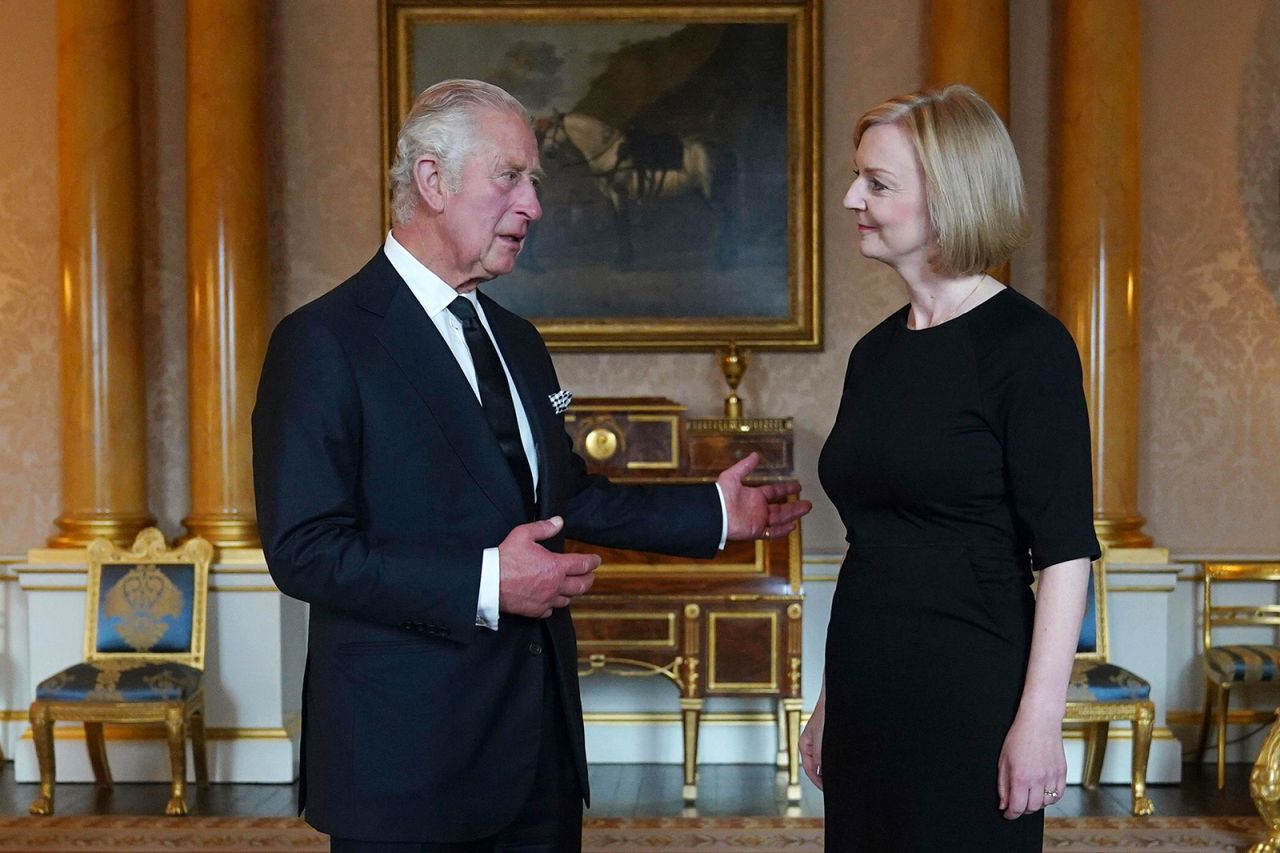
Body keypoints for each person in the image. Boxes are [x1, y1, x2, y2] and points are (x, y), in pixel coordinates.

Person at [251, 79, 810, 853]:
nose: (534, 206)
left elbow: (566, 499)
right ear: (432, 181)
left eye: (535, 181)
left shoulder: (518, 339)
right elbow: (305, 549)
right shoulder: (324, 342)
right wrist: (488, 582)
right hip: (406, 766)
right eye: (509, 177)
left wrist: (713, 512)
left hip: (537, 760)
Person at [798, 84, 1099, 851]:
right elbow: (874, 544)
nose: (849, 197)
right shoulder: (874, 353)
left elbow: (1064, 550)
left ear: (949, 197)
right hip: (868, 683)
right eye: (857, 176)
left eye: (877, 182)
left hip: (973, 690)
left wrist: (1039, 718)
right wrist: (833, 696)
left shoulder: (1027, 348)